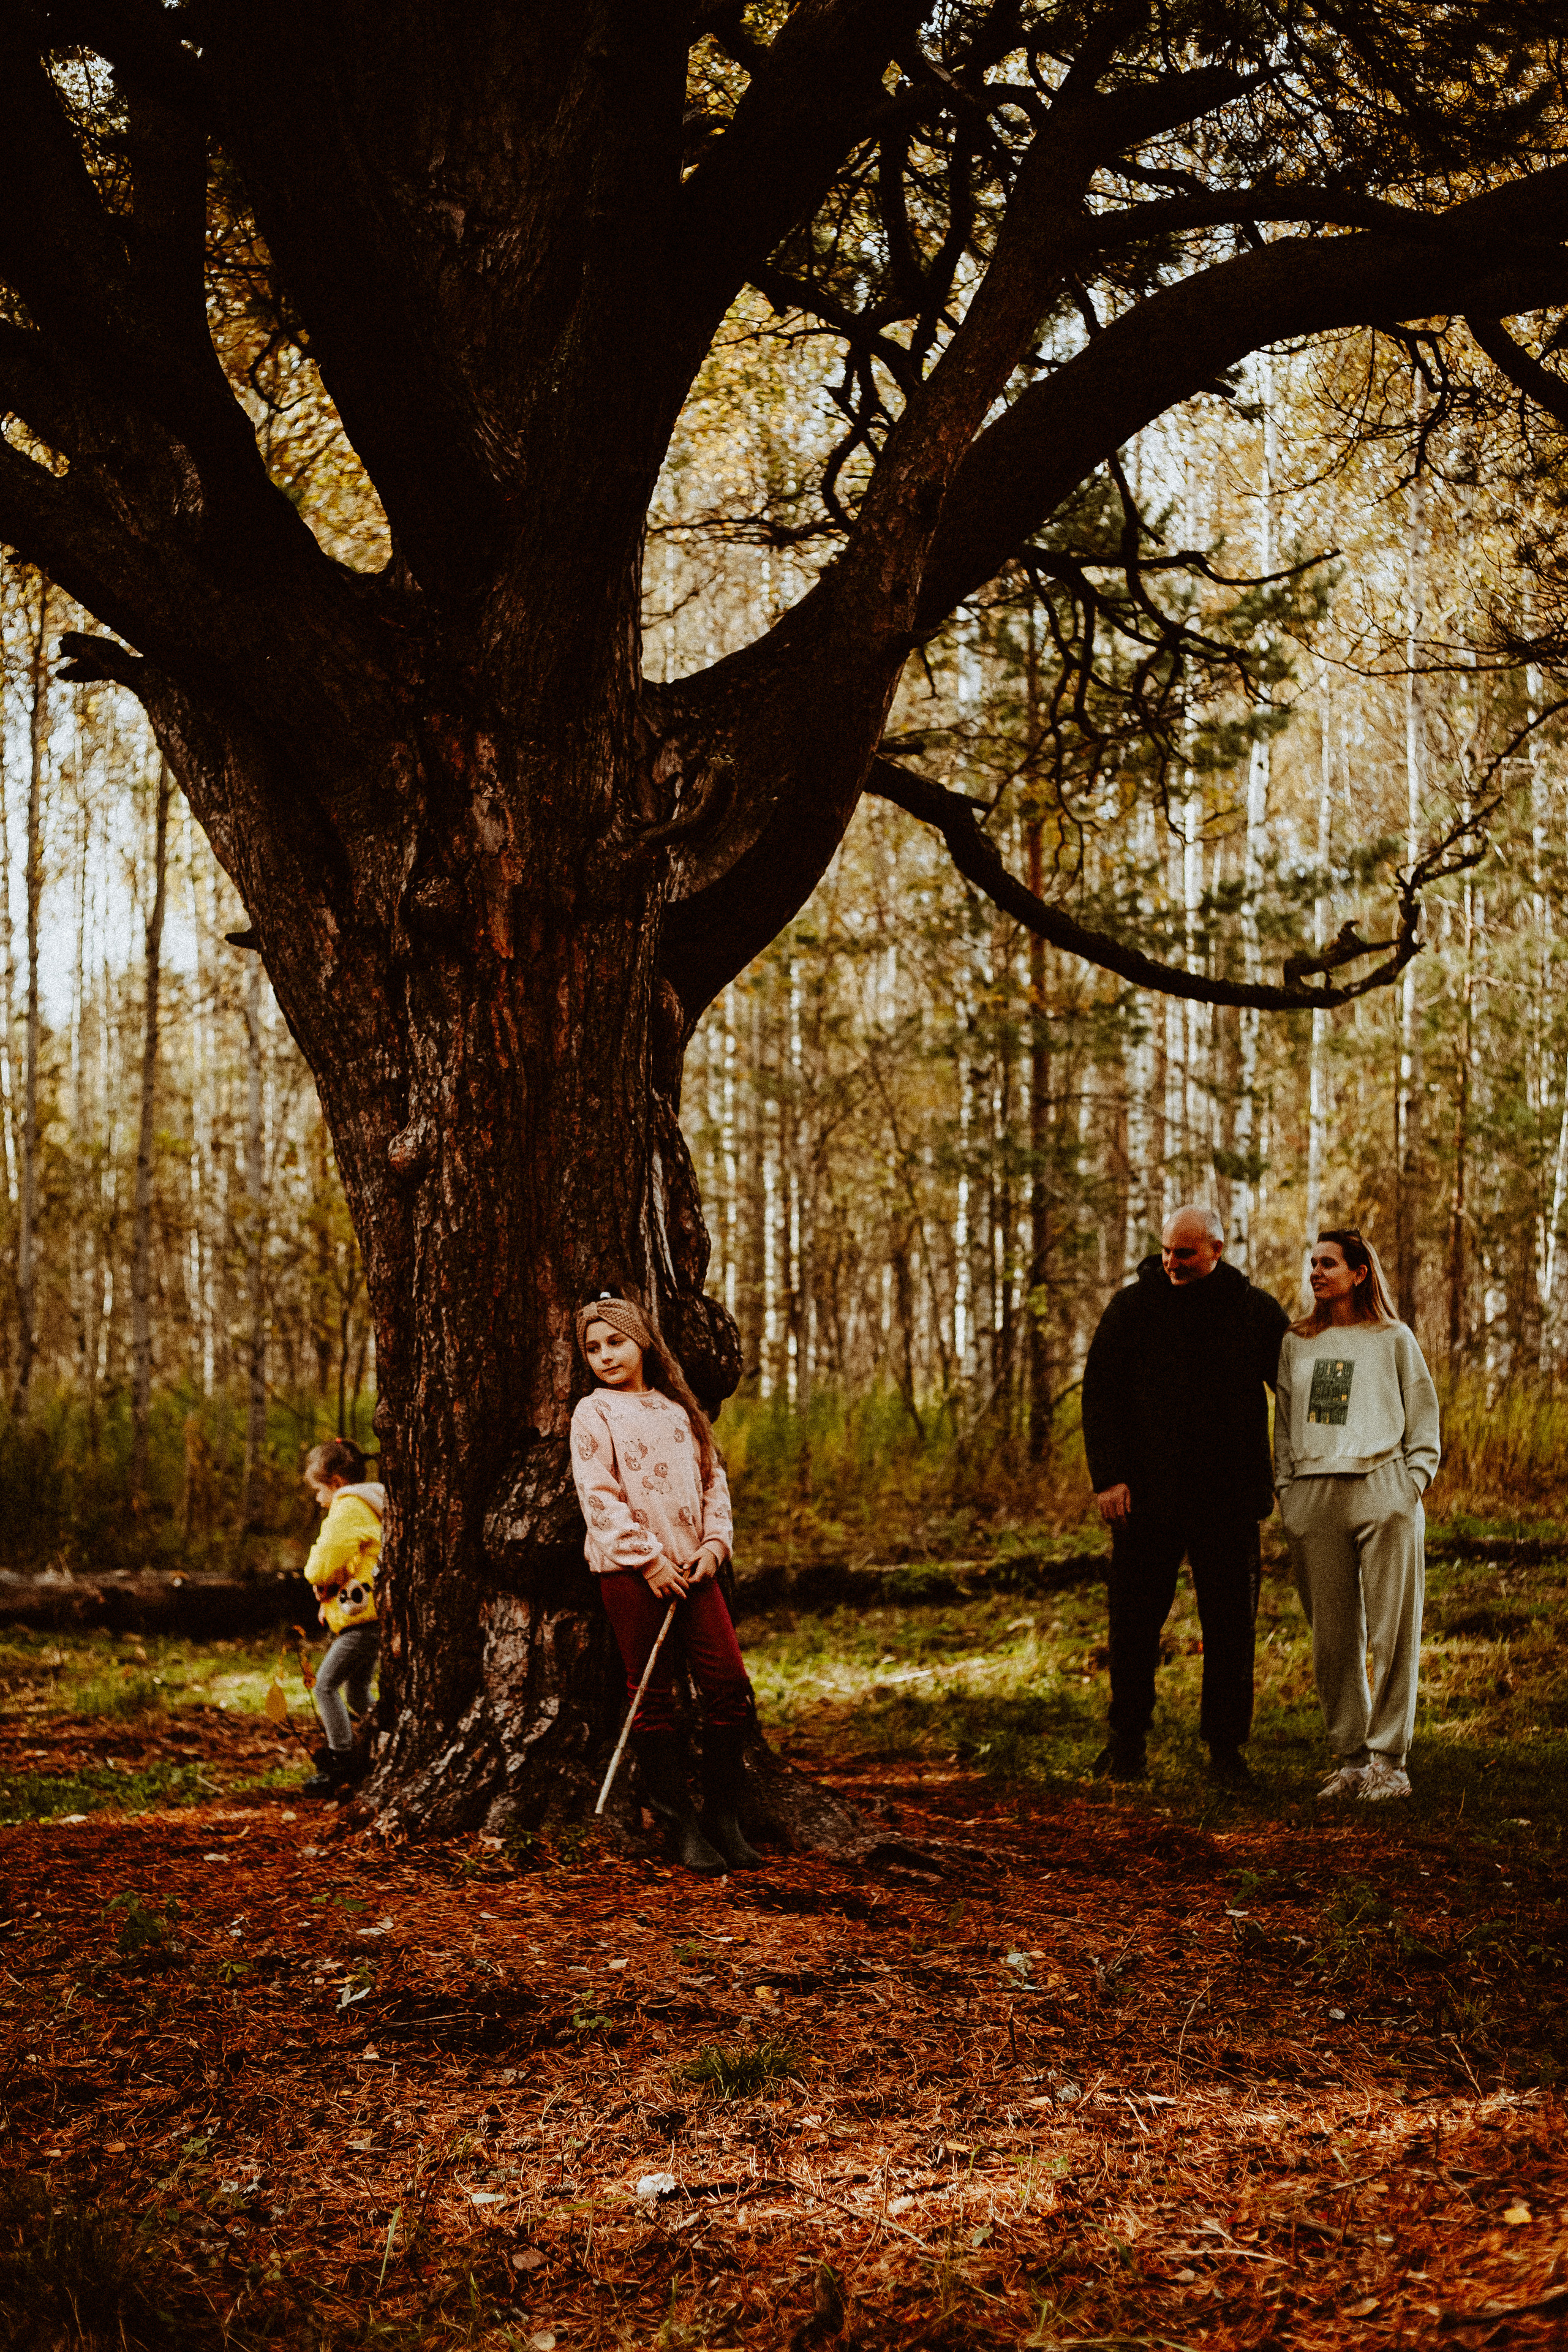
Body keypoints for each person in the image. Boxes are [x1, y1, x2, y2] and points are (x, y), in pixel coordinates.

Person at [1082, 1204, 1290, 1786]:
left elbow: (1296, 1388)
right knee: (1132, 1626)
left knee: (1230, 1630)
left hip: (1228, 1502)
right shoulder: (1133, 1308)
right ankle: (1126, 1745)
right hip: (1144, 1501)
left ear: (1217, 1250)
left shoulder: (1253, 1312)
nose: (1172, 1262)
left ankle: (1226, 1753)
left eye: (1186, 1253)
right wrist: (1109, 1478)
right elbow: (1100, 1394)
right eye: (1168, 1250)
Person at [570, 1291, 761, 1874]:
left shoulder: (680, 1408)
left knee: (728, 1685)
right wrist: (647, 1560)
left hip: (696, 1570)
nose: (605, 1356)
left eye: (616, 1342)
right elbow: (597, 1494)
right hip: (633, 1573)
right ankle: (676, 1821)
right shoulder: (593, 1412)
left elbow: (713, 1483)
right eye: (594, 1348)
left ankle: (724, 1813)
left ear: (643, 1341)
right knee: (652, 1692)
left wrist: (713, 1545)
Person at [1275, 1229, 1439, 1803]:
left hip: (1383, 1487)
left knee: (1393, 1631)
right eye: (1312, 1264)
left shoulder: (1393, 1338)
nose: (1316, 1273)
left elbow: (1423, 1416)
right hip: (1314, 1496)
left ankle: (1389, 1763)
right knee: (1333, 1636)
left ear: (1359, 1273)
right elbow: (1287, 1424)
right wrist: (1288, 1493)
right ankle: (1350, 1762)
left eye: (1328, 1264)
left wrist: (1411, 1483)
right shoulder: (1297, 1340)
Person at [299, 1438, 385, 1798]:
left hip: (361, 1620)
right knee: (358, 1691)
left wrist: (314, 1574)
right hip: (369, 1616)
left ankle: (343, 1759)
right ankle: (384, 1738)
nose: (319, 1500)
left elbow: (326, 1560)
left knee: (325, 1686)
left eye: (319, 1491)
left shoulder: (349, 1506)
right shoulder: (370, 1504)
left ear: (335, 1482)